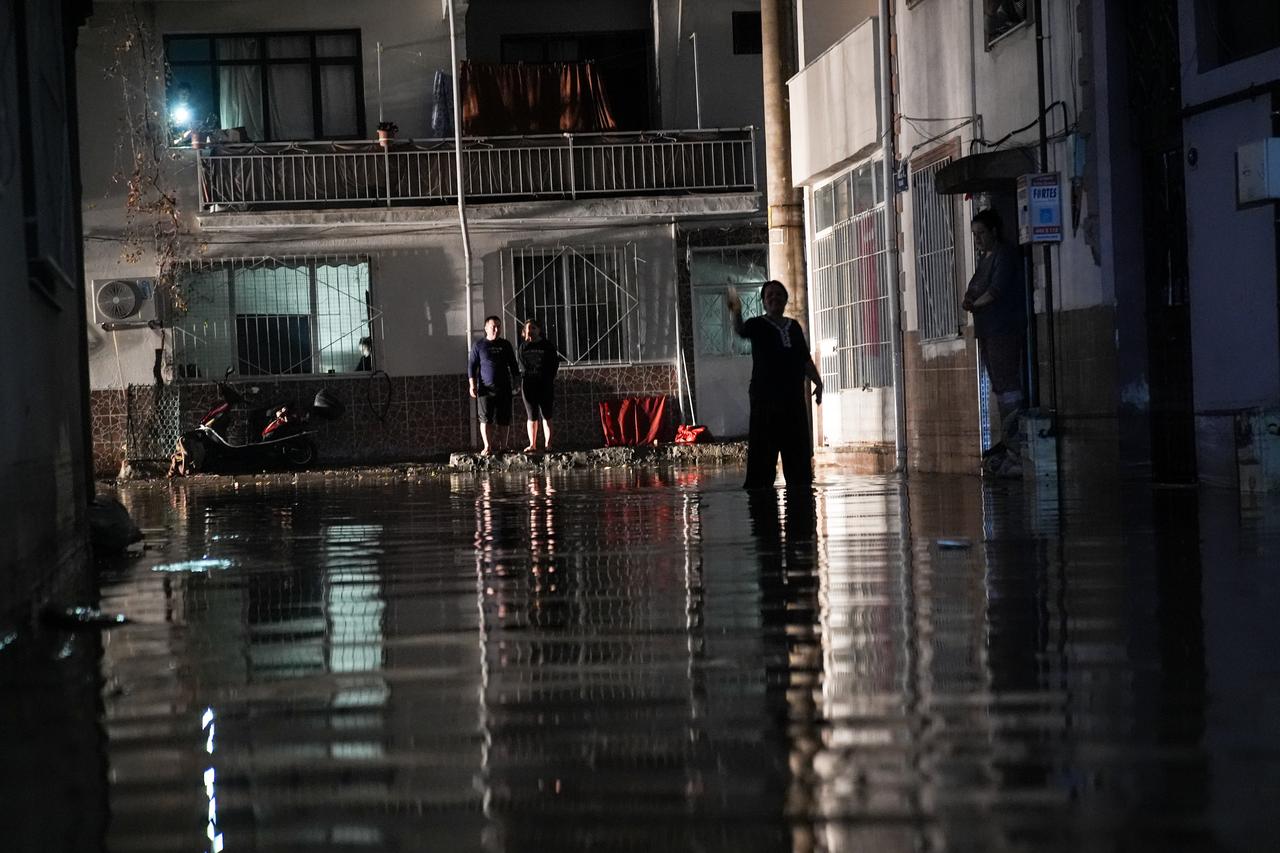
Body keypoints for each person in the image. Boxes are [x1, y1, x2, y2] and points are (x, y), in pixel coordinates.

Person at [727, 280, 824, 489]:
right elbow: (740, 330)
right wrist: (735, 308)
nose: (774, 298)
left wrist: (818, 381)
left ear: (785, 300)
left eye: (779, 294)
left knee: (798, 459)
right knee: (762, 459)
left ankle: (801, 509)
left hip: (793, 401)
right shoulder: (757, 324)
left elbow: (804, 359)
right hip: (765, 402)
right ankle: (761, 509)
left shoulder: (794, 327)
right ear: (763, 301)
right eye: (769, 295)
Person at [962, 209, 1028, 467]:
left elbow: (995, 291)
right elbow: (975, 288)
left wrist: (976, 304)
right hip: (988, 330)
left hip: (1003, 329)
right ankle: (1008, 441)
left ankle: (1015, 444)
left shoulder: (1004, 256)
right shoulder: (984, 259)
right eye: (974, 235)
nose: (977, 240)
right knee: (999, 385)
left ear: (994, 232)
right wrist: (970, 300)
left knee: (1007, 384)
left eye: (980, 234)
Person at [468, 315, 521, 456]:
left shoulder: (505, 345)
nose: (496, 329)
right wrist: (472, 385)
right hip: (485, 389)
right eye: (493, 326)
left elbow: (514, 365)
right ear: (486, 328)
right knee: (485, 418)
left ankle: (504, 446)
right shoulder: (479, 345)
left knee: (504, 418)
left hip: (504, 387)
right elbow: (472, 367)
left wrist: (517, 383)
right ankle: (487, 446)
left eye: (499, 326)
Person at [518, 319, 560, 452]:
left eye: (533, 328)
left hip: (545, 383)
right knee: (531, 415)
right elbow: (522, 365)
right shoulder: (523, 347)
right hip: (529, 385)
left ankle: (548, 444)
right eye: (528, 328)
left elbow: (554, 364)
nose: (531, 331)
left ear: (539, 330)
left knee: (546, 414)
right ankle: (532, 444)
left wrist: (548, 378)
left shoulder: (547, 345)